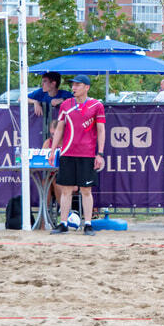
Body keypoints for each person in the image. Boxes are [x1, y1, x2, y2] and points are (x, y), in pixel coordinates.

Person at [49, 74, 107, 236]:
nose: (73, 88)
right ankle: (63, 223)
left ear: (86, 87)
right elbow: (60, 128)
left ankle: (88, 224)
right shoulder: (66, 105)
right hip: (67, 152)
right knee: (66, 190)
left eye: (78, 85)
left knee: (86, 190)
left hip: (87, 154)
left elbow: (101, 130)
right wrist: (53, 150)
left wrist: (100, 153)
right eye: (73, 85)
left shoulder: (96, 105)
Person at [28, 72, 74, 146]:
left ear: (53, 84)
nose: (42, 84)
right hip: (42, 132)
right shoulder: (40, 92)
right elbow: (21, 98)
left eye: (45, 81)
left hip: (61, 133)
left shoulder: (64, 94)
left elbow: (77, 100)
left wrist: (62, 100)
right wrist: (34, 102)